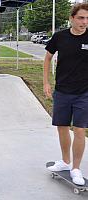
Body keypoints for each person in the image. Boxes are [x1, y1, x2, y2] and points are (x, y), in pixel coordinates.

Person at [44, 3, 88, 186]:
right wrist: (46, 82)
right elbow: (47, 58)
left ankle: (76, 168)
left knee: (79, 130)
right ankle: (65, 161)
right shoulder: (60, 37)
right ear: (71, 18)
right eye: (81, 18)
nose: (84, 22)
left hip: (84, 93)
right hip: (62, 91)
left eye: (87, 19)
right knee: (62, 127)